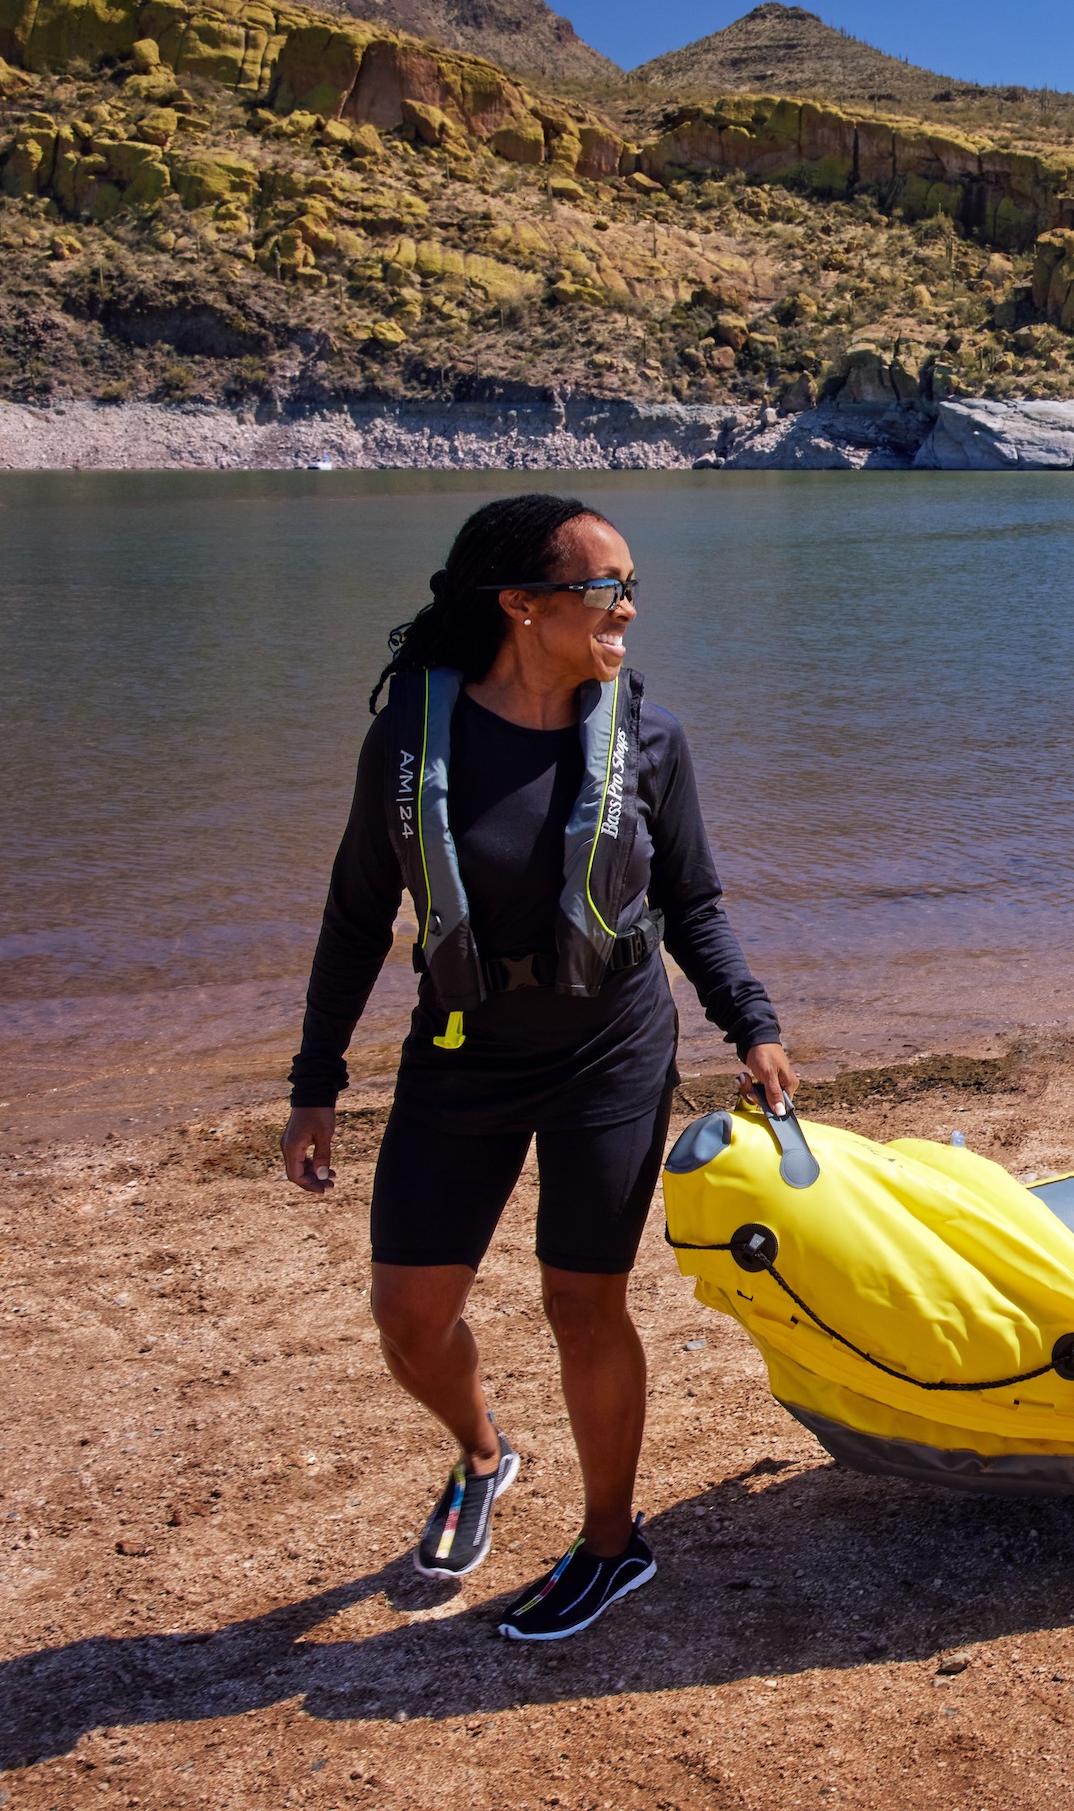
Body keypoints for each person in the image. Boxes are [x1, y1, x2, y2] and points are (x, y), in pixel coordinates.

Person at [280, 493, 796, 1640]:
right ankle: (483, 1452)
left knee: (583, 1300)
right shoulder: (414, 743)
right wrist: (316, 1081)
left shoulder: (649, 740)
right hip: (464, 1054)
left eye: (631, 587)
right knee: (410, 1315)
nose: (627, 609)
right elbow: (359, 914)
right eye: (603, 588)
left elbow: (692, 900)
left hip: (611, 1049)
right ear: (522, 606)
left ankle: (613, 1545)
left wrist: (749, 1023)